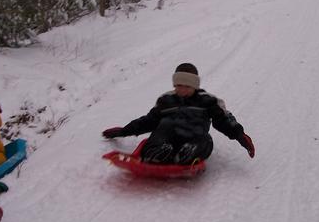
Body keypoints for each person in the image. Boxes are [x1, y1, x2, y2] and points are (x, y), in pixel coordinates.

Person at [102, 63, 255, 164]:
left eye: (187, 86)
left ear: (195, 85)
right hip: (168, 137)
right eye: (178, 86)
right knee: (162, 128)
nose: (182, 90)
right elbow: (148, 121)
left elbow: (223, 120)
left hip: (195, 136)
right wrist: (124, 131)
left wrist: (240, 135)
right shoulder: (166, 100)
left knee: (205, 141)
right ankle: (157, 153)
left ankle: (187, 154)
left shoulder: (208, 101)